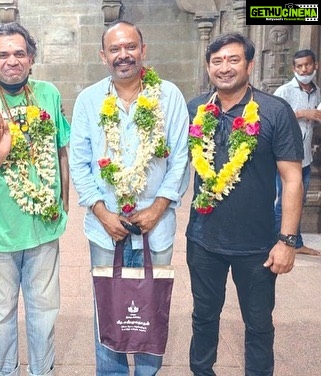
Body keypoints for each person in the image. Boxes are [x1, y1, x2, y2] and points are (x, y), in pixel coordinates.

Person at [69, 20, 190, 375]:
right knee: (108, 307)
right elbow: (79, 162)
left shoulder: (169, 95)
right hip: (105, 228)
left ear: (143, 49)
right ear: (103, 56)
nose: (124, 55)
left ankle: (148, 372)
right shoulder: (89, 100)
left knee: (151, 306)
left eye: (131, 47)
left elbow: (180, 158)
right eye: (115, 49)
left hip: (158, 225)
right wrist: (102, 212)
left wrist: (159, 207)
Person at [186, 32, 304, 376]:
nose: (225, 68)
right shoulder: (196, 109)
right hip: (204, 238)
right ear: (208, 66)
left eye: (234, 59)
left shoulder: (273, 111)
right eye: (217, 61)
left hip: (257, 245)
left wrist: (287, 241)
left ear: (249, 65)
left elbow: (292, 179)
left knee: (258, 323)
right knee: (203, 316)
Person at [0, 22, 70, 376]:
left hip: (44, 227)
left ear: (32, 57)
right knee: (0, 314)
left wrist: (64, 203)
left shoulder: (48, 94)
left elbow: (61, 152)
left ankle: (43, 371)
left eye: (20, 53)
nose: (12, 61)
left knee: (44, 312)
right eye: (3, 54)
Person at [274, 49, 321, 256]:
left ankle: (297, 242)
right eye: (299, 66)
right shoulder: (284, 91)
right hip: (285, 157)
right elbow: (272, 118)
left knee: (299, 200)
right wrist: (302, 113)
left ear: (315, 66)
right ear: (294, 68)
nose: (304, 69)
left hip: (305, 156)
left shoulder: (317, 92)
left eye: (308, 65)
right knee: (282, 200)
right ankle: (276, 242)